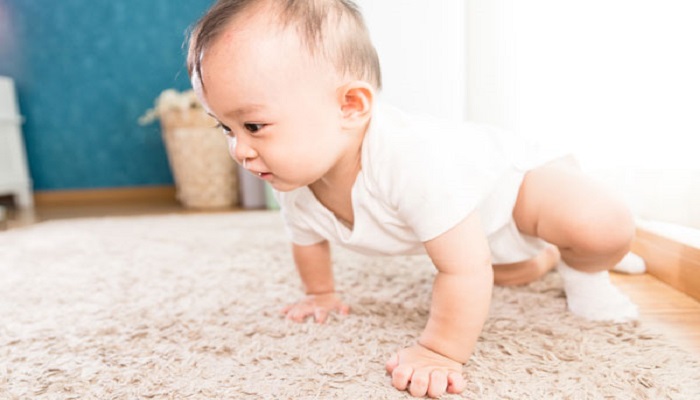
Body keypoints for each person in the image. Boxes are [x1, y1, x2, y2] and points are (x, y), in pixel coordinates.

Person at [186, 0, 642, 397]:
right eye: (225, 127)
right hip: (473, 229)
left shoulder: (411, 161)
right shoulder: (293, 173)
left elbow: (462, 268)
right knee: (511, 274)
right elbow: (307, 239)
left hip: (511, 185)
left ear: (350, 106)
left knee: (601, 224)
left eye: (254, 126)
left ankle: (587, 269)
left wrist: (440, 351)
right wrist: (320, 294)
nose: (239, 150)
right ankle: (548, 258)